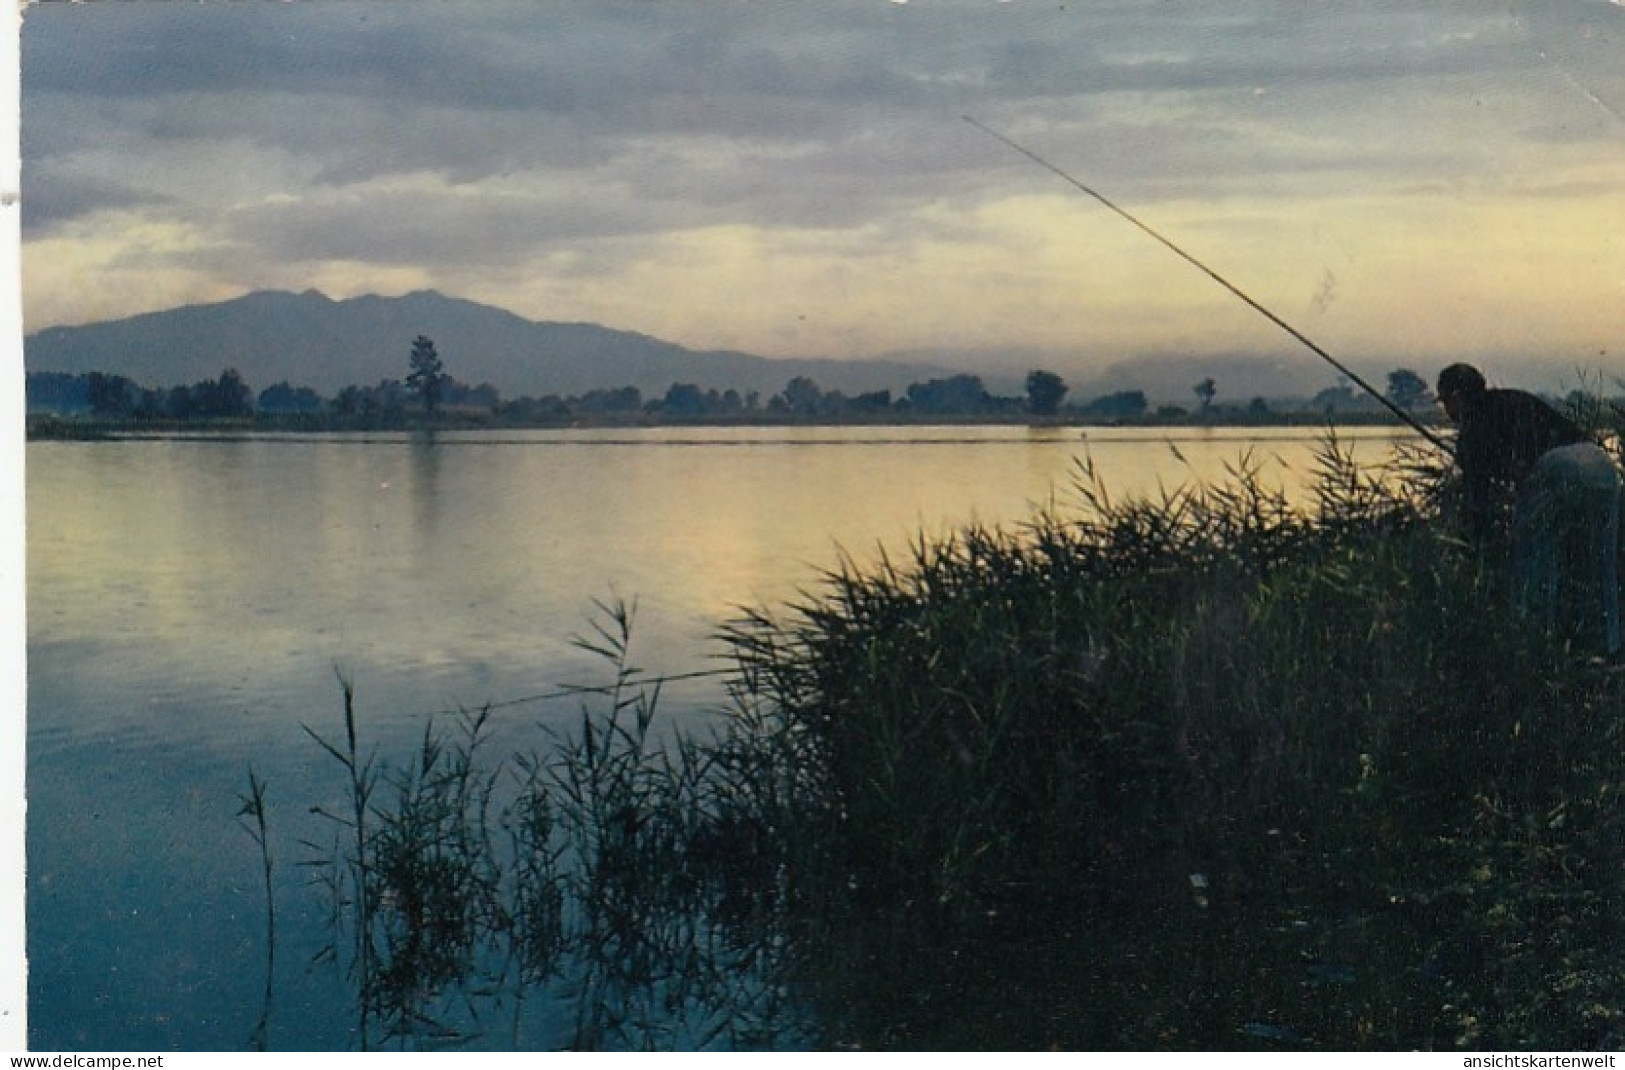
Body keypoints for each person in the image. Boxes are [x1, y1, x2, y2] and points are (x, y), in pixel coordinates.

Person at [1435, 362, 1621, 656]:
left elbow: (1476, 501)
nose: (1448, 412)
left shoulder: (1473, 427)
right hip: (1600, 465)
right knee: (1597, 562)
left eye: (1445, 401)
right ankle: (1607, 649)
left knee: (1534, 561)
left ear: (1456, 396)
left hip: (1558, 467)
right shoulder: (1513, 398)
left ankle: (1533, 646)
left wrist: (1473, 546)